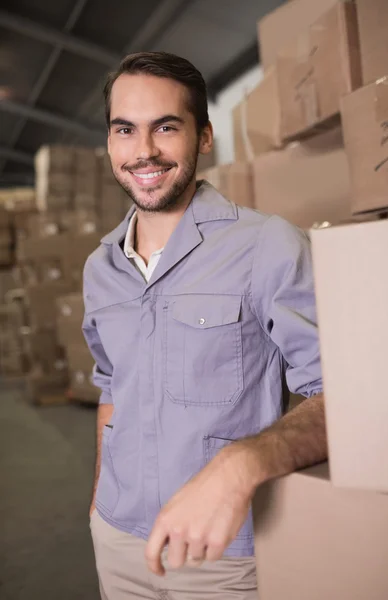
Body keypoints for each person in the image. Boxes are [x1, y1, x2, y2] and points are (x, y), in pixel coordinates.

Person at [83, 51, 327, 600]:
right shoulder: (100, 268)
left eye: (165, 127)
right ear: (110, 141)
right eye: (125, 130)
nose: (143, 151)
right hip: (117, 541)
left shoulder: (267, 246)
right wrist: (99, 502)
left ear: (205, 137)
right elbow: (110, 389)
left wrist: (243, 462)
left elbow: (340, 397)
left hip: (223, 556)